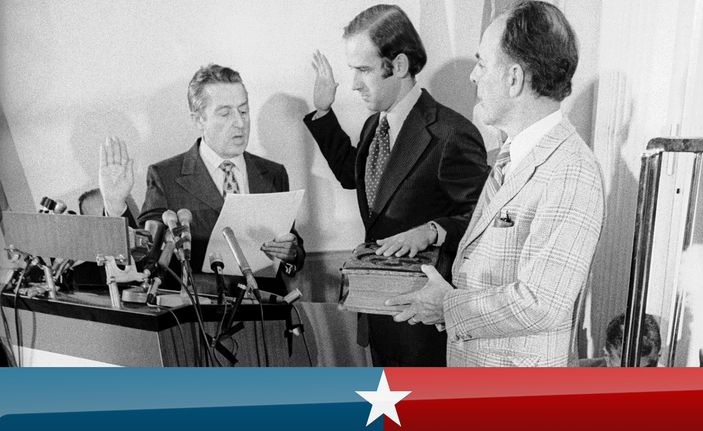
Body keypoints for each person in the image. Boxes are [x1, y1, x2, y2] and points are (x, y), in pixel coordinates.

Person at [387, 1, 605, 367]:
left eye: (482, 63)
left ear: (514, 78)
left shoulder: (571, 170)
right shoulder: (512, 155)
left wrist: (448, 305)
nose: (473, 76)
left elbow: (542, 303)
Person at [303, 4, 489, 366]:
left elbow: (484, 219)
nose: (354, 83)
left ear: (399, 65)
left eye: (363, 70)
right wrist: (324, 113)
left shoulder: (451, 134)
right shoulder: (376, 125)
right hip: (381, 318)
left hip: (428, 329)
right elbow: (355, 177)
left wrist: (433, 231)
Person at [100, 64, 305, 293]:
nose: (239, 122)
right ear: (198, 120)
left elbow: (291, 254)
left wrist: (291, 254)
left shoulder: (273, 173)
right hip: (200, 318)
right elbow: (148, 257)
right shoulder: (166, 176)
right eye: (225, 113)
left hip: (268, 313)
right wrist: (116, 205)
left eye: (244, 111)